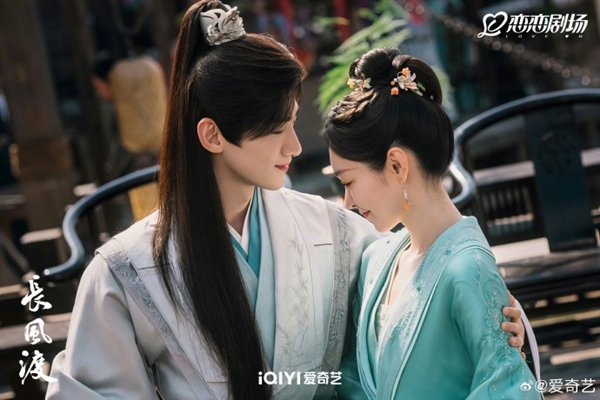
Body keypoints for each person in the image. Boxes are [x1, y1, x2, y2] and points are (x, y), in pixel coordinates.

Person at [46, 2, 525, 399]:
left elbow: (433, 315)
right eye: (277, 130)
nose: (294, 147)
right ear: (212, 135)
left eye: (293, 122)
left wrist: (503, 320)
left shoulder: (337, 234)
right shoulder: (126, 270)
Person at [325, 48, 540, 399]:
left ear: (397, 165)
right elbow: (351, 378)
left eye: (348, 181)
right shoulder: (376, 259)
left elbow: (508, 390)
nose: (347, 201)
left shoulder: (468, 268)